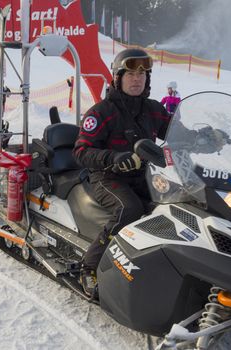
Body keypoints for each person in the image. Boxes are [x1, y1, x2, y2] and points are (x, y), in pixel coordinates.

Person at [72, 48, 173, 298]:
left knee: (174, 205)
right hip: (107, 176)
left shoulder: (153, 109)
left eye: (142, 74)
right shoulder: (102, 112)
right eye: (130, 73)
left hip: (144, 175)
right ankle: (90, 266)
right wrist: (114, 158)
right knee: (130, 209)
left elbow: (175, 131)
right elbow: (81, 151)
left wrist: (204, 136)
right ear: (117, 77)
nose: (136, 78)